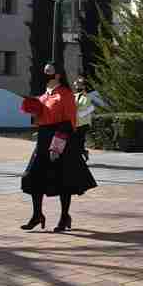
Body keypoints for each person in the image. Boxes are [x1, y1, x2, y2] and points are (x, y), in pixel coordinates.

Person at [19, 64, 97, 232]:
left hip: (61, 139)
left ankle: (64, 216)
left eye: (49, 71)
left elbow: (70, 122)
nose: (44, 74)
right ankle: (37, 215)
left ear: (58, 75)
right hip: (43, 139)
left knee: (64, 180)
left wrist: (58, 144)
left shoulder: (66, 94)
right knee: (33, 177)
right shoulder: (43, 95)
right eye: (44, 70)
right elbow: (40, 118)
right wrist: (32, 109)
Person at [72, 76, 98, 162]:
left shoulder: (87, 96)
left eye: (78, 85)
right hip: (75, 123)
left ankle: (80, 157)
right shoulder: (74, 95)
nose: (76, 87)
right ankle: (83, 153)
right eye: (75, 85)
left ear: (83, 86)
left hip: (83, 123)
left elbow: (85, 108)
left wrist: (76, 110)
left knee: (79, 141)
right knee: (76, 141)